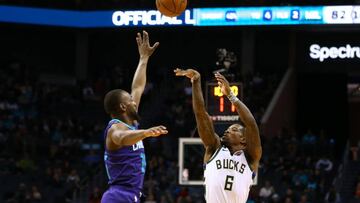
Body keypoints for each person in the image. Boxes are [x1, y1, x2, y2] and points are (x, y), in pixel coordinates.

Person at [174, 68, 262, 203]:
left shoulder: (251, 158)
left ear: (243, 140)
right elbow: (200, 114)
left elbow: (251, 124)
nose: (227, 131)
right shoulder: (214, 147)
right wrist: (196, 82)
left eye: (233, 129)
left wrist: (230, 95)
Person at [101, 31, 168, 203]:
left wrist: (144, 59)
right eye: (130, 99)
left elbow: (138, 87)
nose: (134, 100)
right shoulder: (114, 128)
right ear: (123, 107)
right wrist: (146, 133)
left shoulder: (132, 121)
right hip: (118, 196)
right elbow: (122, 138)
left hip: (132, 195)